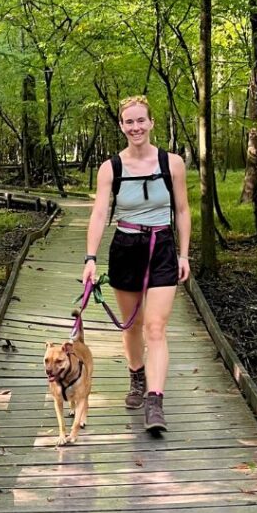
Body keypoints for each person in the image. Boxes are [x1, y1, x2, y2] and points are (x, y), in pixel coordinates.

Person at [82, 95, 190, 434]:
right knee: (132, 325)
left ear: (151, 122)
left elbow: (183, 211)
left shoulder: (171, 163)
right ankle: (136, 375)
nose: (136, 127)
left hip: (161, 246)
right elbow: (100, 213)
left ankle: (155, 401)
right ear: (121, 126)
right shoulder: (110, 167)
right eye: (129, 122)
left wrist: (184, 254)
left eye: (141, 120)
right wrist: (90, 257)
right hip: (126, 246)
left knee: (155, 327)